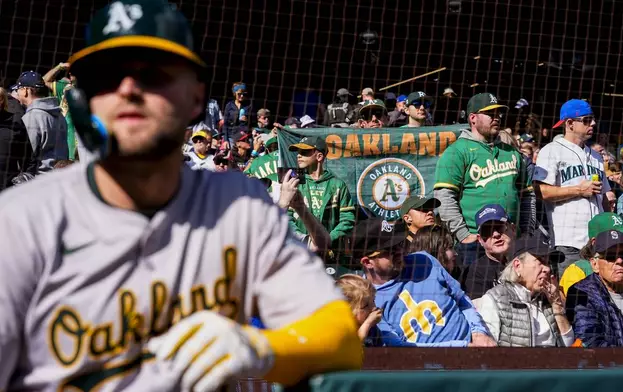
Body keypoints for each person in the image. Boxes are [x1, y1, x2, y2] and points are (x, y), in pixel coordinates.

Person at [0, 1, 362, 390]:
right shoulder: (20, 220)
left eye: (153, 73)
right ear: (84, 99)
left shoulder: (238, 207)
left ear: (195, 97)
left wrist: (262, 347)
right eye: (107, 76)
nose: (129, 88)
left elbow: (340, 337)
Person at [347, 218, 496, 347]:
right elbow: (398, 347)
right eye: (390, 250)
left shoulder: (424, 260)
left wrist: (478, 332)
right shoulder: (367, 298)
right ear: (367, 262)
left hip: (473, 349)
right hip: (423, 367)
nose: (400, 251)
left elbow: (462, 300)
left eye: (400, 244)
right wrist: (462, 347)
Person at [434, 93, 534, 266]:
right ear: (473, 118)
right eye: (490, 114)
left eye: (498, 113)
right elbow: (444, 197)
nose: (497, 118)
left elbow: (527, 195)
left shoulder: (511, 152)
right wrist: (463, 234)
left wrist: (526, 231)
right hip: (476, 242)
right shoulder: (456, 152)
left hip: (512, 240)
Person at [533, 99, 612, 276]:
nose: (593, 123)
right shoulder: (551, 150)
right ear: (569, 123)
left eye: (592, 119)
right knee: (570, 297)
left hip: (597, 243)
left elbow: (605, 196)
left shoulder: (596, 157)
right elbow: (541, 191)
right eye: (586, 120)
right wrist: (578, 190)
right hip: (568, 242)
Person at [477, 233, 573, 346]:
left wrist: (556, 304)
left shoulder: (547, 299)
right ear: (518, 266)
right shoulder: (496, 299)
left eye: (547, 263)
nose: (547, 268)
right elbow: (486, 349)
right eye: (540, 261)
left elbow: (568, 344)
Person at [566, 230, 623, 347]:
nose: (619, 261)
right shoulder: (581, 294)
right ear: (594, 264)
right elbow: (592, 342)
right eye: (611, 256)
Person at [279, 136, 355, 254]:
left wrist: (328, 239)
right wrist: (305, 241)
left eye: (304, 152)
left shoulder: (337, 184)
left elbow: (348, 220)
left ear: (319, 156)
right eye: (298, 152)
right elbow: (286, 217)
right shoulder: (294, 183)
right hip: (300, 252)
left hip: (331, 256)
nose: (299, 155)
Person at [13, 70, 69, 172]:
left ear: (26, 90)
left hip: (40, 180)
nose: (17, 93)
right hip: (61, 175)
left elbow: (28, 157)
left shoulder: (32, 117)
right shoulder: (59, 113)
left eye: (18, 89)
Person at [460, 204, 515, 300]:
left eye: (500, 227)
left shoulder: (528, 259)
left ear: (513, 229)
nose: (496, 234)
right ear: (480, 239)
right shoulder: (476, 272)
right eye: (487, 231)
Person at [0, 87, 36, 191]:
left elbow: (28, 157)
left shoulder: (15, 122)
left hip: (7, 190)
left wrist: (25, 178)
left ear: (2, 100)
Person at [336, 274, 383, 345]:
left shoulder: (373, 329)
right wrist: (367, 324)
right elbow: (352, 349)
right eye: (366, 305)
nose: (374, 307)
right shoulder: (340, 331)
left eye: (373, 301)